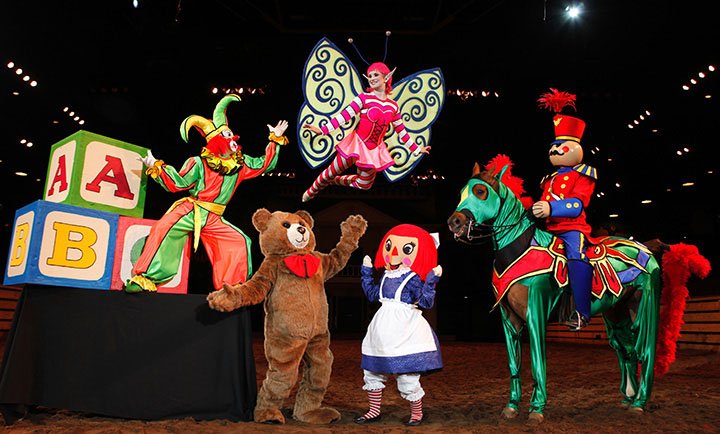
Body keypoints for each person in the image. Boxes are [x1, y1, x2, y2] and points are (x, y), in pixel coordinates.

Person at [125, 94, 289, 293]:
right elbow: (179, 183)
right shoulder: (198, 163)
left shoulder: (240, 163)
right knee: (164, 227)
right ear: (217, 142)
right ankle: (145, 279)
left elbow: (264, 164)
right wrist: (158, 168)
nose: (233, 139)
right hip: (190, 210)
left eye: (231, 135)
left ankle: (232, 290)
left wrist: (275, 140)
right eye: (227, 136)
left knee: (239, 241)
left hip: (214, 217)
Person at [301, 61, 431, 202]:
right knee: (328, 173)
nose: (372, 78)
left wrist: (416, 149)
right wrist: (322, 130)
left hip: (373, 151)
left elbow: (401, 131)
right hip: (355, 145)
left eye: (376, 74)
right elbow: (344, 116)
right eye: (369, 75)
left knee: (364, 185)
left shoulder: (393, 106)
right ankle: (312, 190)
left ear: (386, 78)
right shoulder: (364, 98)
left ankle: (333, 180)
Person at [355, 224, 443, 426]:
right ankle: (374, 410)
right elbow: (372, 294)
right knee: (372, 371)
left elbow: (426, 302)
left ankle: (417, 413)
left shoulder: (412, 278)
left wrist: (430, 282)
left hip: (405, 330)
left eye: (405, 248)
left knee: (406, 375)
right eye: (389, 245)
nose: (393, 253)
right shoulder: (387, 275)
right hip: (381, 329)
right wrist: (367, 273)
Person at [533, 88, 597, 331]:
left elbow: (578, 204)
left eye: (562, 146)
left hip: (572, 228)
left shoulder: (584, 175)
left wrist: (550, 207)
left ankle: (582, 312)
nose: (555, 150)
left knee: (575, 256)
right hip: (549, 230)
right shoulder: (548, 179)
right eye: (553, 146)